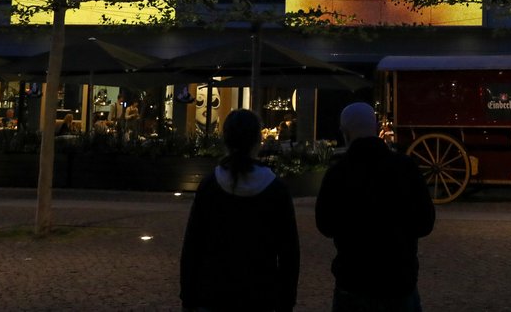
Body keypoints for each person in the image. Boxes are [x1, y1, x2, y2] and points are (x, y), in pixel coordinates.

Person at [316, 102, 436, 312]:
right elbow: (425, 223)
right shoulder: (405, 168)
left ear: (345, 132)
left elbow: (325, 225)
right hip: (399, 280)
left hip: (353, 281)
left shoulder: (338, 173)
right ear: (376, 127)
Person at [180, 108, 299, 312]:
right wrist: (286, 300)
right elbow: (289, 253)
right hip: (261, 295)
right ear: (257, 141)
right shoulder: (275, 189)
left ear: (225, 140)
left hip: (214, 294)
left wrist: (188, 297)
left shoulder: (210, 186)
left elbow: (192, 246)